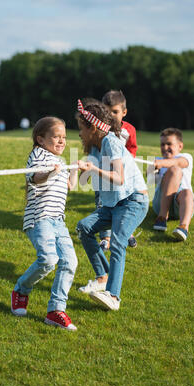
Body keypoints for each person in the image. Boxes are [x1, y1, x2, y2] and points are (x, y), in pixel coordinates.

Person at [76, 99, 149, 310]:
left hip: (133, 201)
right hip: (113, 204)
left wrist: (93, 169)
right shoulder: (95, 148)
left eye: (82, 129)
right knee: (84, 228)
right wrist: (71, 169)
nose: (80, 134)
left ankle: (113, 297)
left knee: (117, 243)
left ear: (92, 127)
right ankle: (103, 278)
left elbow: (119, 178)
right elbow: (82, 181)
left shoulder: (111, 141)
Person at [11, 116, 78, 331]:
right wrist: (50, 172)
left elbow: (69, 186)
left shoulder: (60, 160)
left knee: (70, 262)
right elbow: (36, 178)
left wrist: (77, 168)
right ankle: (21, 290)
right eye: (56, 137)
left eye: (64, 137)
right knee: (49, 260)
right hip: (39, 219)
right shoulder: (38, 155)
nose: (61, 141)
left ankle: (55, 310)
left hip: (58, 221)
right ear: (40, 139)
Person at [100, 90, 138, 250]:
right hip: (104, 173)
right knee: (104, 203)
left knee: (124, 202)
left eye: (115, 112)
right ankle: (105, 237)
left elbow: (132, 148)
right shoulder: (101, 128)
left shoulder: (129, 130)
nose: (111, 115)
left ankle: (127, 232)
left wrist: (127, 162)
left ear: (124, 112)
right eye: (107, 112)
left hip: (123, 174)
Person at [150, 127, 194, 241]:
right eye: (162, 144)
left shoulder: (186, 157)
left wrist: (161, 163)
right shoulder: (156, 160)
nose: (165, 148)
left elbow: (178, 163)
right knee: (174, 171)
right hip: (161, 204)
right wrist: (151, 171)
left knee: (187, 192)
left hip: (182, 205)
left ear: (180, 146)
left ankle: (183, 227)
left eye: (169, 144)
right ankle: (162, 217)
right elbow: (151, 183)